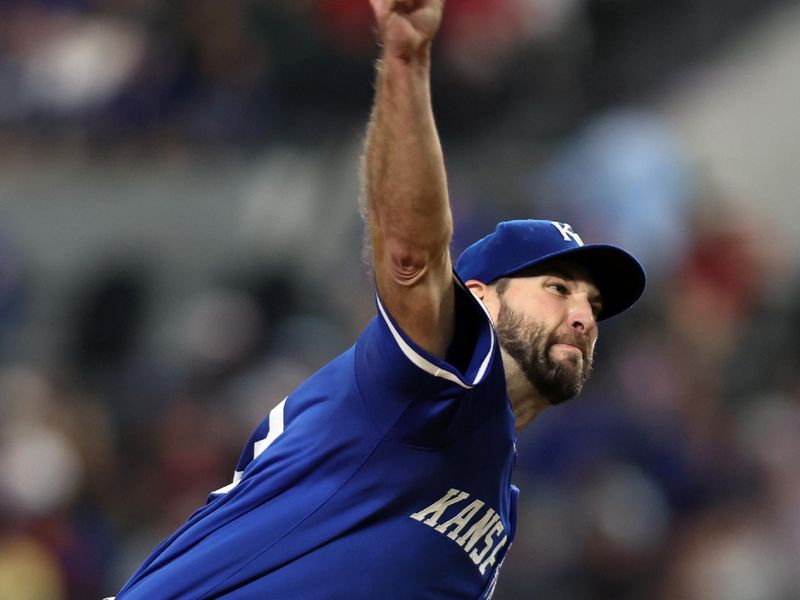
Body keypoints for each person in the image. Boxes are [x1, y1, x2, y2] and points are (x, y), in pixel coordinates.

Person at [110, 1, 645, 598]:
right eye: (556, 288)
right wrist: (406, 62)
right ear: (479, 300)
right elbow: (410, 254)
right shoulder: (426, 385)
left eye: (594, 305)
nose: (582, 315)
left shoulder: (497, 489)